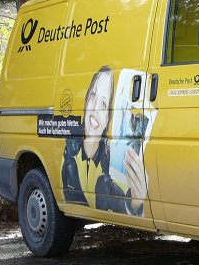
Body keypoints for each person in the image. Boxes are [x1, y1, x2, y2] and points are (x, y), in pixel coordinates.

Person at [61, 66, 147, 216]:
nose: (95, 108)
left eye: (103, 104)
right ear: (86, 100)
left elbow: (121, 204)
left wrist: (135, 203)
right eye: (93, 95)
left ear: (108, 118)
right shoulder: (69, 148)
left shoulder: (114, 165)